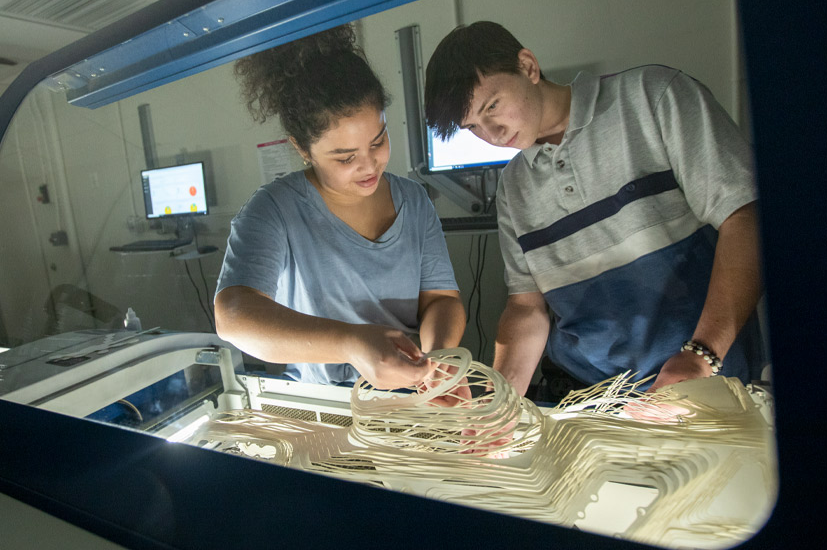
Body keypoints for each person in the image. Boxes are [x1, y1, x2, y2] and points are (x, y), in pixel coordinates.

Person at [424, 21, 766, 396]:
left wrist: (702, 354)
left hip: (708, 380)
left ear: (527, 66)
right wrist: (502, 401)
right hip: (596, 399)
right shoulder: (514, 188)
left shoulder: (653, 98)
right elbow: (526, 307)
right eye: (473, 126)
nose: (493, 134)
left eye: (493, 106)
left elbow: (744, 218)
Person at [215, 24, 465, 390]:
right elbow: (234, 316)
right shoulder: (274, 210)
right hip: (325, 404)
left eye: (378, 141)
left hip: (412, 397)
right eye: (346, 157)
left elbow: (441, 300)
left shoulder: (413, 200)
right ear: (302, 148)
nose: (370, 165)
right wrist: (351, 343)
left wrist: (438, 361)